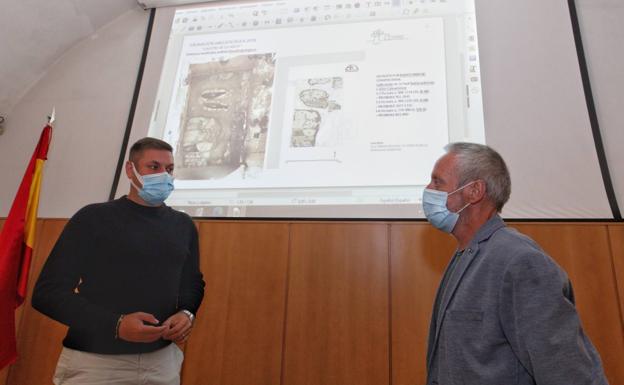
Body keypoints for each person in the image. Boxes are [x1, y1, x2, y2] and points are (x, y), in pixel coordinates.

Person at [423, 142, 608, 385]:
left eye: (437, 182)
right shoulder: (466, 254)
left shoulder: (519, 261)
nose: (428, 189)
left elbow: (568, 372)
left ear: (474, 191)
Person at [32, 137, 205, 385]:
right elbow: (48, 293)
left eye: (169, 169)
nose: (164, 176)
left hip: (161, 363)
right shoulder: (93, 218)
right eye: (153, 167)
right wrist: (116, 325)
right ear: (130, 170)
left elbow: (192, 282)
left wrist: (187, 313)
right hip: (95, 363)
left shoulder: (183, 224)